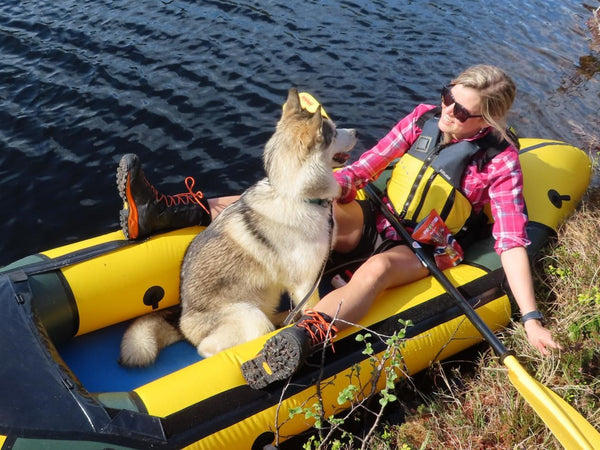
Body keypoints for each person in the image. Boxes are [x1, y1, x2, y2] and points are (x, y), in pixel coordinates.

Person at [117, 65, 561, 390]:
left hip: (425, 244)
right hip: (381, 213)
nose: (447, 112)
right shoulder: (425, 117)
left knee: (377, 270)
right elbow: (369, 165)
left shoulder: (499, 164)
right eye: (448, 97)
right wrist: (321, 187)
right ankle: (172, 212)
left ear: (488, 120)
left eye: (462, 112)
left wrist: (531, 317)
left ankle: (307, 332)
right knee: (293, 200)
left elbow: (510, 240)